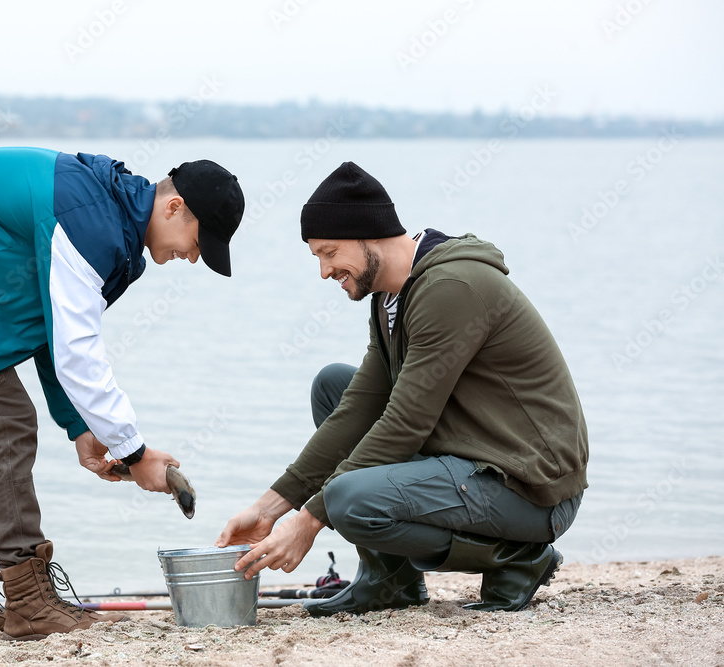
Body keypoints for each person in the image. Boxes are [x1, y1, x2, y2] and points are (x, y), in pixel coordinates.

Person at [0, 147, 244, 639]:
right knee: (5, 422)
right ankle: (29, 599)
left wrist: (79, 425)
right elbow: (77, 352)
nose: (192, 256)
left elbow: (52, 327)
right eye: (197, 242)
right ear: (173, 207)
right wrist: (134, 451)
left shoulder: (103, 216)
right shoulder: (92, 224)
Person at [216, 161, 586, 616]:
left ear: (368, 234)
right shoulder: (390, 296)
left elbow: (406, 423)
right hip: (479, 459)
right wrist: (271, 507)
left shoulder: (451, 287)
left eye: (329, 253)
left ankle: (518, 558)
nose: (324, 270)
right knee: (333, 387)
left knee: (348, 500)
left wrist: (309, 521)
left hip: (532, 487)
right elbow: (359, 408)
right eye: (317, 257)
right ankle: (390, 580)